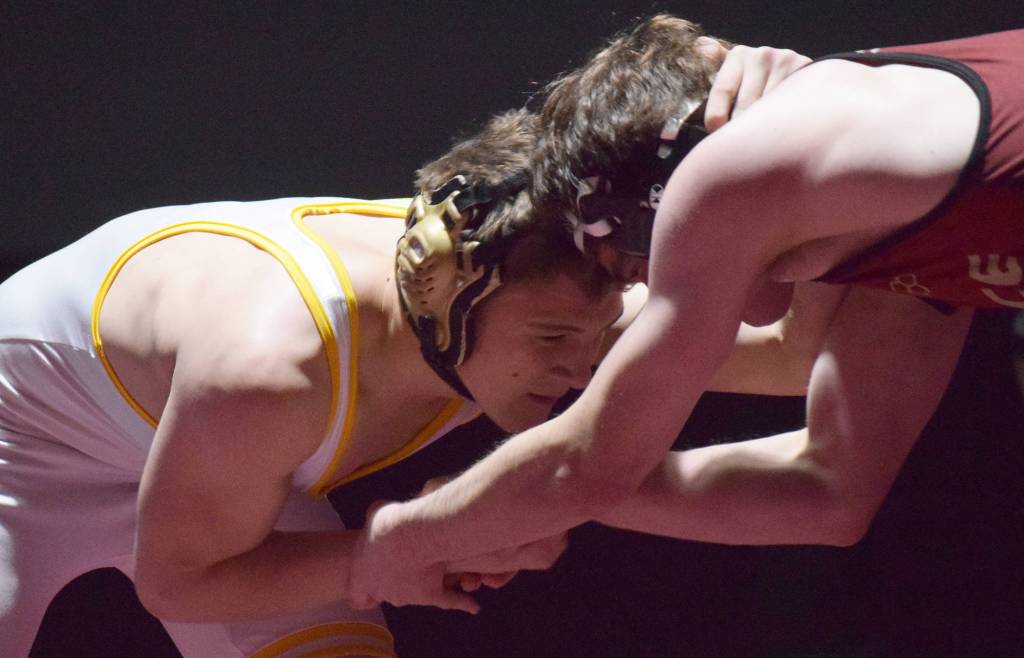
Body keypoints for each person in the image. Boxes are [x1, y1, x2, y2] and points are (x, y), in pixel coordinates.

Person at [348, 16, 1024, 610]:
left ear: (654, 198)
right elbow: (829, 487)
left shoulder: (730, 174)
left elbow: (585, 464)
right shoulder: (871, 227)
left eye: (632, 268)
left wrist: (400, 538)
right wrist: (501, 511)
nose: (657, 278)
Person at [0, 108, 626, 657]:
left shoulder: (537, 289)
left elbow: (706, 327)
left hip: (234, 472)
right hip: (22, 451)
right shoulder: (272, 362)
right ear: (441, 293)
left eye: (600, 332)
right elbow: (177, 583)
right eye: (553, 341)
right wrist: (417, 544)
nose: (582, 370)